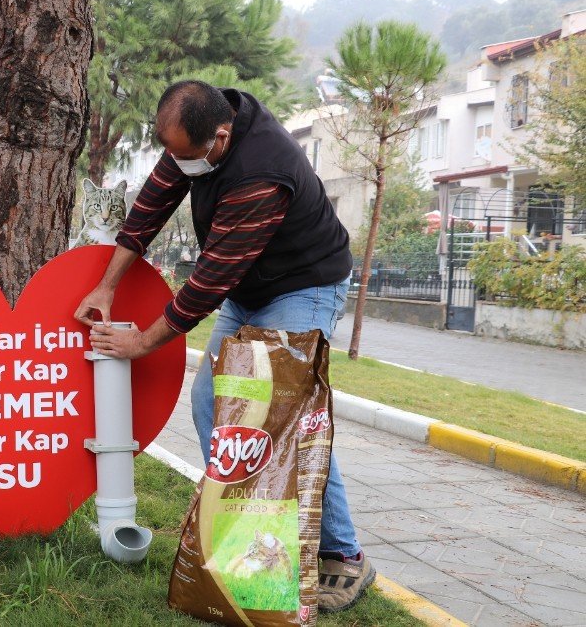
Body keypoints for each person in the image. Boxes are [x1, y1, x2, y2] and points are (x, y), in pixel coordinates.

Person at [74, 80, 374, 611]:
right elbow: (150, 207)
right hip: (251, 285)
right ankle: (256, 530)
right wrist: (107, 283)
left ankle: (343, 555)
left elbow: (209, 282)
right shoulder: (193, 139)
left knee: (287, 417)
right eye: (170, 152)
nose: (176, 164)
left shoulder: (263, 171)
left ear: (221, 135)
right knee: (214, 404)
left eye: (184, 156)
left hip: (303, 285)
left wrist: (141, 341)